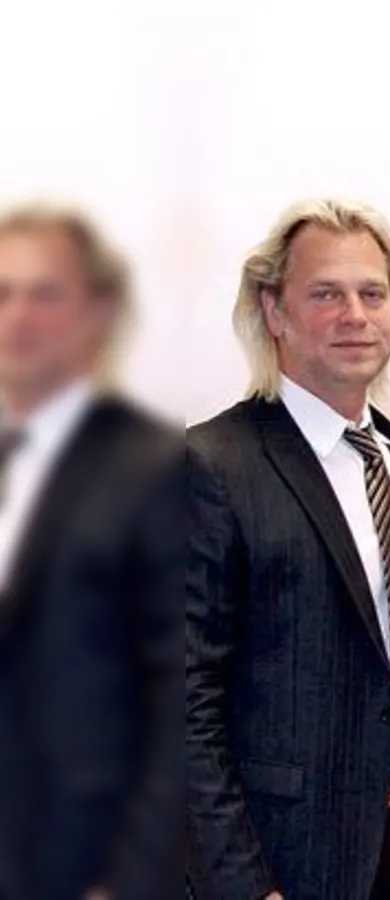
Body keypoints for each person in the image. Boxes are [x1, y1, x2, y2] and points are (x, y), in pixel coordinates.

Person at [187, 199, 390, 900]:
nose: (355, 315)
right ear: (275, 311)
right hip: (277, 854)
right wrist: (241, 883)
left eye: (373, 294)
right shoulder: (212, 465)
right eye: (326, 294)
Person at [0, 203, 182, 900]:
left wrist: (132, 883)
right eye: (3, 293)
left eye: (45, 293)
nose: (19, 316)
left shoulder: (155, 468)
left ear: (97, 312)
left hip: (82, 869)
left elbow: (180, 703)